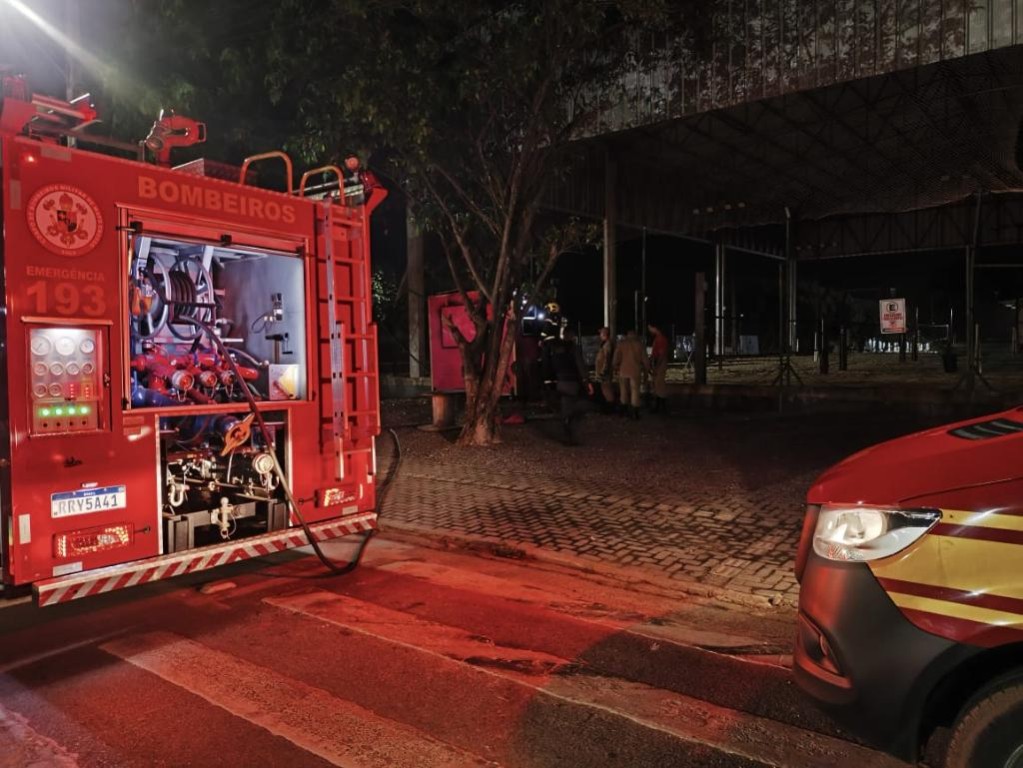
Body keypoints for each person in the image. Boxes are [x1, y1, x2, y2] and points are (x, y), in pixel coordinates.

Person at [541, 325, 592, 445]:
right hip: (573, 382)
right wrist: (587, 382)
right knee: (576, 407)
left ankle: (567, 432)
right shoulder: (574, 349)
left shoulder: (555, 348)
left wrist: (549, 381)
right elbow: (580, 365)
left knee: (566, 407)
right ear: (573, 336)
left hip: (560, 382)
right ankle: (572, 435)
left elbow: (548, 365)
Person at [612, 328, 649, 420]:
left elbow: (616, 358)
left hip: (623, 370)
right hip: (635, 371)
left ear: (627, 334)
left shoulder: (621, 344)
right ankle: (635, 413)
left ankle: (624, 411)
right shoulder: (640, 344)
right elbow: (645, 360)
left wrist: (615, 367)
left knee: (623, 391)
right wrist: (646, 370)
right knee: (635, 391)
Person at [593, 326, 617, 413]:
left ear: (604, 334)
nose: (600, 335)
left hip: (605, 372)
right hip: (603, 371)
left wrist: (604, 371)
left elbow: (607, 359)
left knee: (607, 389)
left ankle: (610, 408)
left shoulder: (607, 345)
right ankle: (609, 406)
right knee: (605, 388)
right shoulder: (605, 344)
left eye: (601, 333)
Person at [648, 322, 670, 414]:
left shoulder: (660, 339)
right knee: (658, 385)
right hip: (659, 362)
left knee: (659, 385)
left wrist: (656, 367)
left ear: (655, 328)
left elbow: (661, 355)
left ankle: (661, 407)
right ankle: (659, 406)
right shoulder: (659, 338)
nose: (649, 330)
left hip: (659, 363)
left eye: (650, 328)